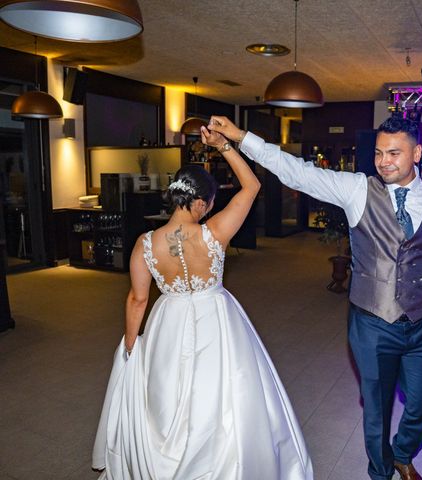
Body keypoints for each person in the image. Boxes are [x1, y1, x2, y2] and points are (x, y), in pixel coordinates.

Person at [207, 115, 422, 480]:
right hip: (371, 324)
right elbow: (295, 171)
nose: (384, 161)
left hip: (421, 322)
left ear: (417, 153)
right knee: (377, 410)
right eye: (380, 153)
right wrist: (240, 137)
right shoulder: (356, 189)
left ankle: (402, 453)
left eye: (394, 153)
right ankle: (380, 472)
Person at [92, 126, 313, 480]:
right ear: (201, 204)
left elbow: (137, 299)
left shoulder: (145, 244)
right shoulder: (216, 232)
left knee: (169, 392)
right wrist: (224, 146)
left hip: (170, 319)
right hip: (216, 317)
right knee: (223, 393)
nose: (211, 207)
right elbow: (252, 186)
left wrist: (131, 348)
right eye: (210, 203)